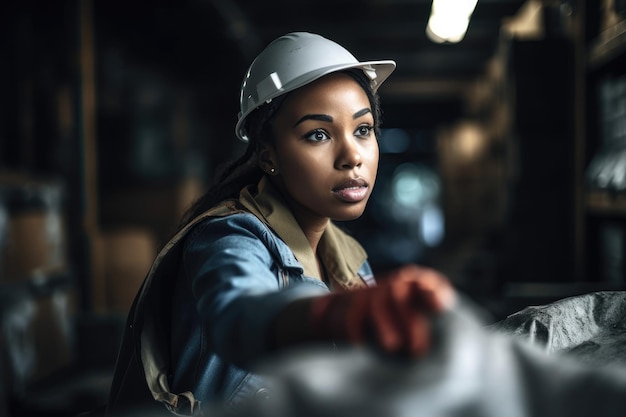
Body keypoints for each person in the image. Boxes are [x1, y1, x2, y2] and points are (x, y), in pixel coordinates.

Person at [103, 32, 456, 417]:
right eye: (318, 134)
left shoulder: (346, 257)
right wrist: (334, 314)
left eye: (363, 129)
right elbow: (239, 311)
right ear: (269, 156)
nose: (352, 156)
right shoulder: (229, 237)